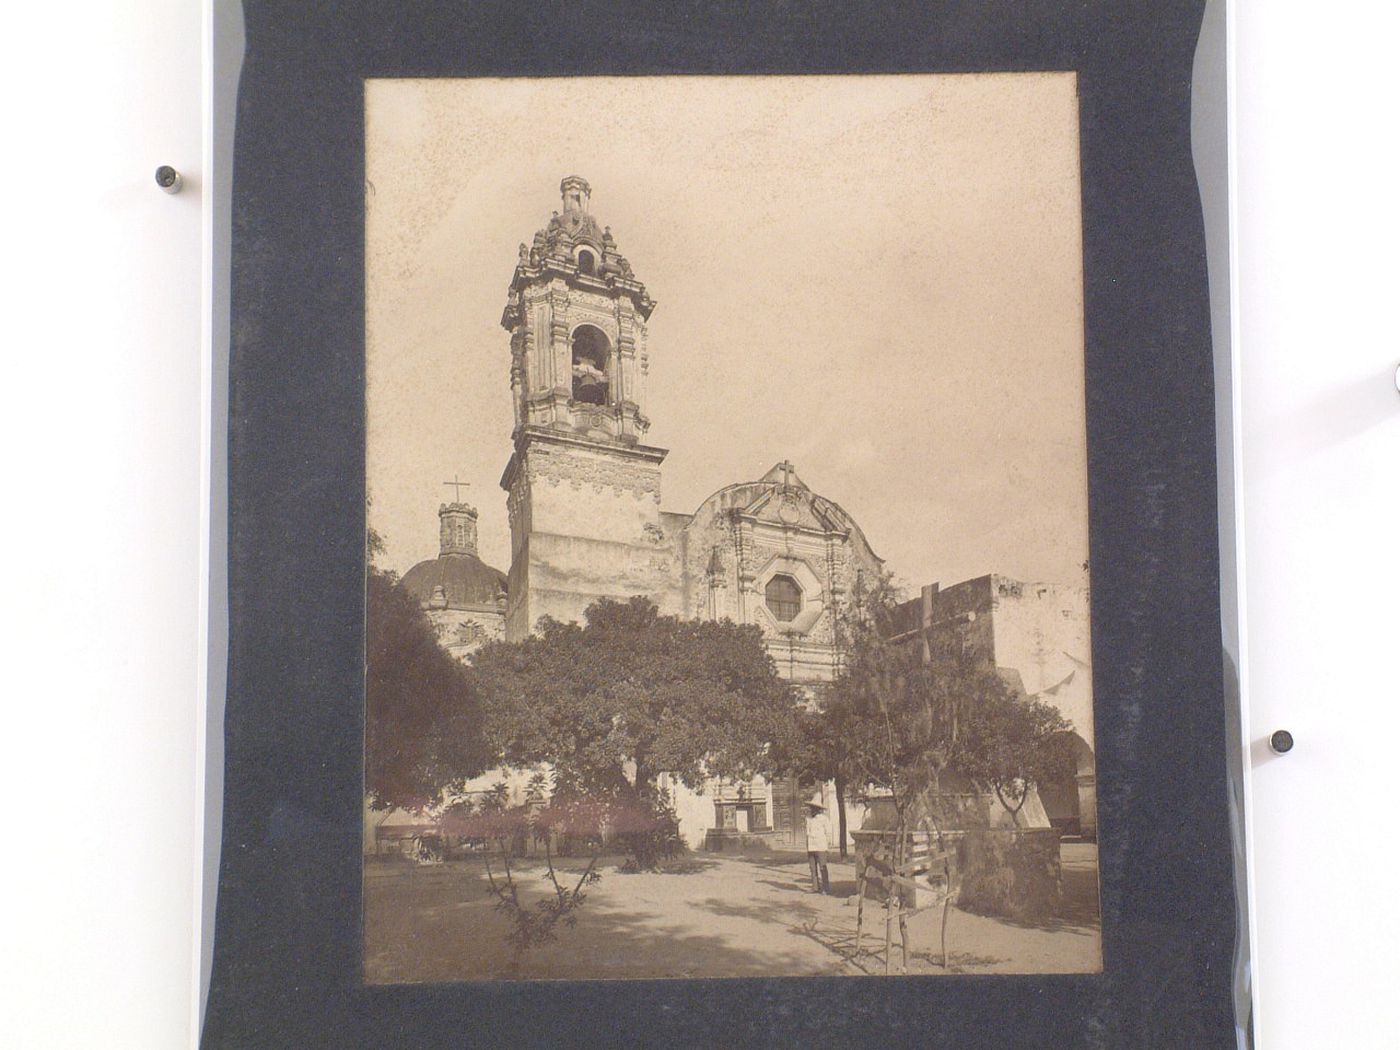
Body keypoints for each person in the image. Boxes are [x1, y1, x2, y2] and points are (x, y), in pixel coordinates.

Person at [804, 801, 833, 894]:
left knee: (822, 867)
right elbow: (808, 833)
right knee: (812, 868)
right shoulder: (808, 819)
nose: (812, 810)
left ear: (819, 809)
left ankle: (825, 888)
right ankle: (815, 887)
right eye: (811, 807)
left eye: (814, 808)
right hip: (811, 846)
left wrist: (828, 846)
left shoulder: (824, 819)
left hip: (821, 846)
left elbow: (828, 833)